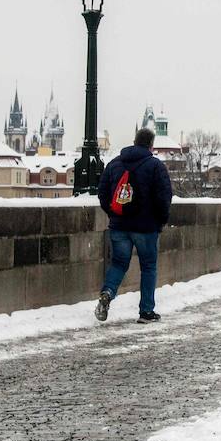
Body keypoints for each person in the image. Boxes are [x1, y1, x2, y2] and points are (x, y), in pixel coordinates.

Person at [93, 128, 174, 324]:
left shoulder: (114, 164)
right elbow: (164, 197)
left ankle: (108, 292)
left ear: (134, 141)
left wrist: (114, 214)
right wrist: (161, 220)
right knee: (148, 267)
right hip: (146, 227)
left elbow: (103, 193)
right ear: (151, 145)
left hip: (119, 225)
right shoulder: (155, 166)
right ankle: (146, 311)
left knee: (119, 263)